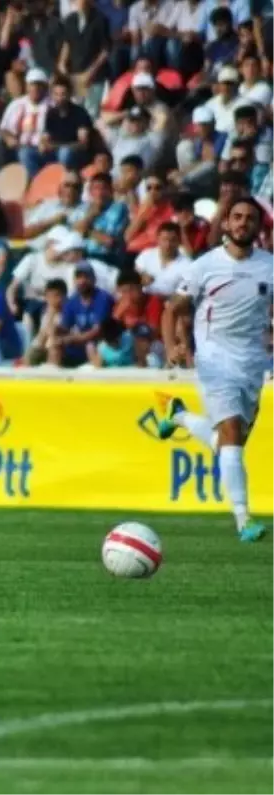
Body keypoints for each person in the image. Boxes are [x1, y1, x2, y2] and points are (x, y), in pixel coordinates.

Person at [157, 198, 274, 542]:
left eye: (249, 219)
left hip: (253, 362)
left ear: (258, 227)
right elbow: (171, 309)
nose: (242, 223)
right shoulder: (205, 266)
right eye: (236, 217)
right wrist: (173, 346)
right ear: (225, 224)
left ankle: (178, 416)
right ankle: (244, 519)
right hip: (214, 358)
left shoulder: (269, 266)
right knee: (232, 437)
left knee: (227, 443)